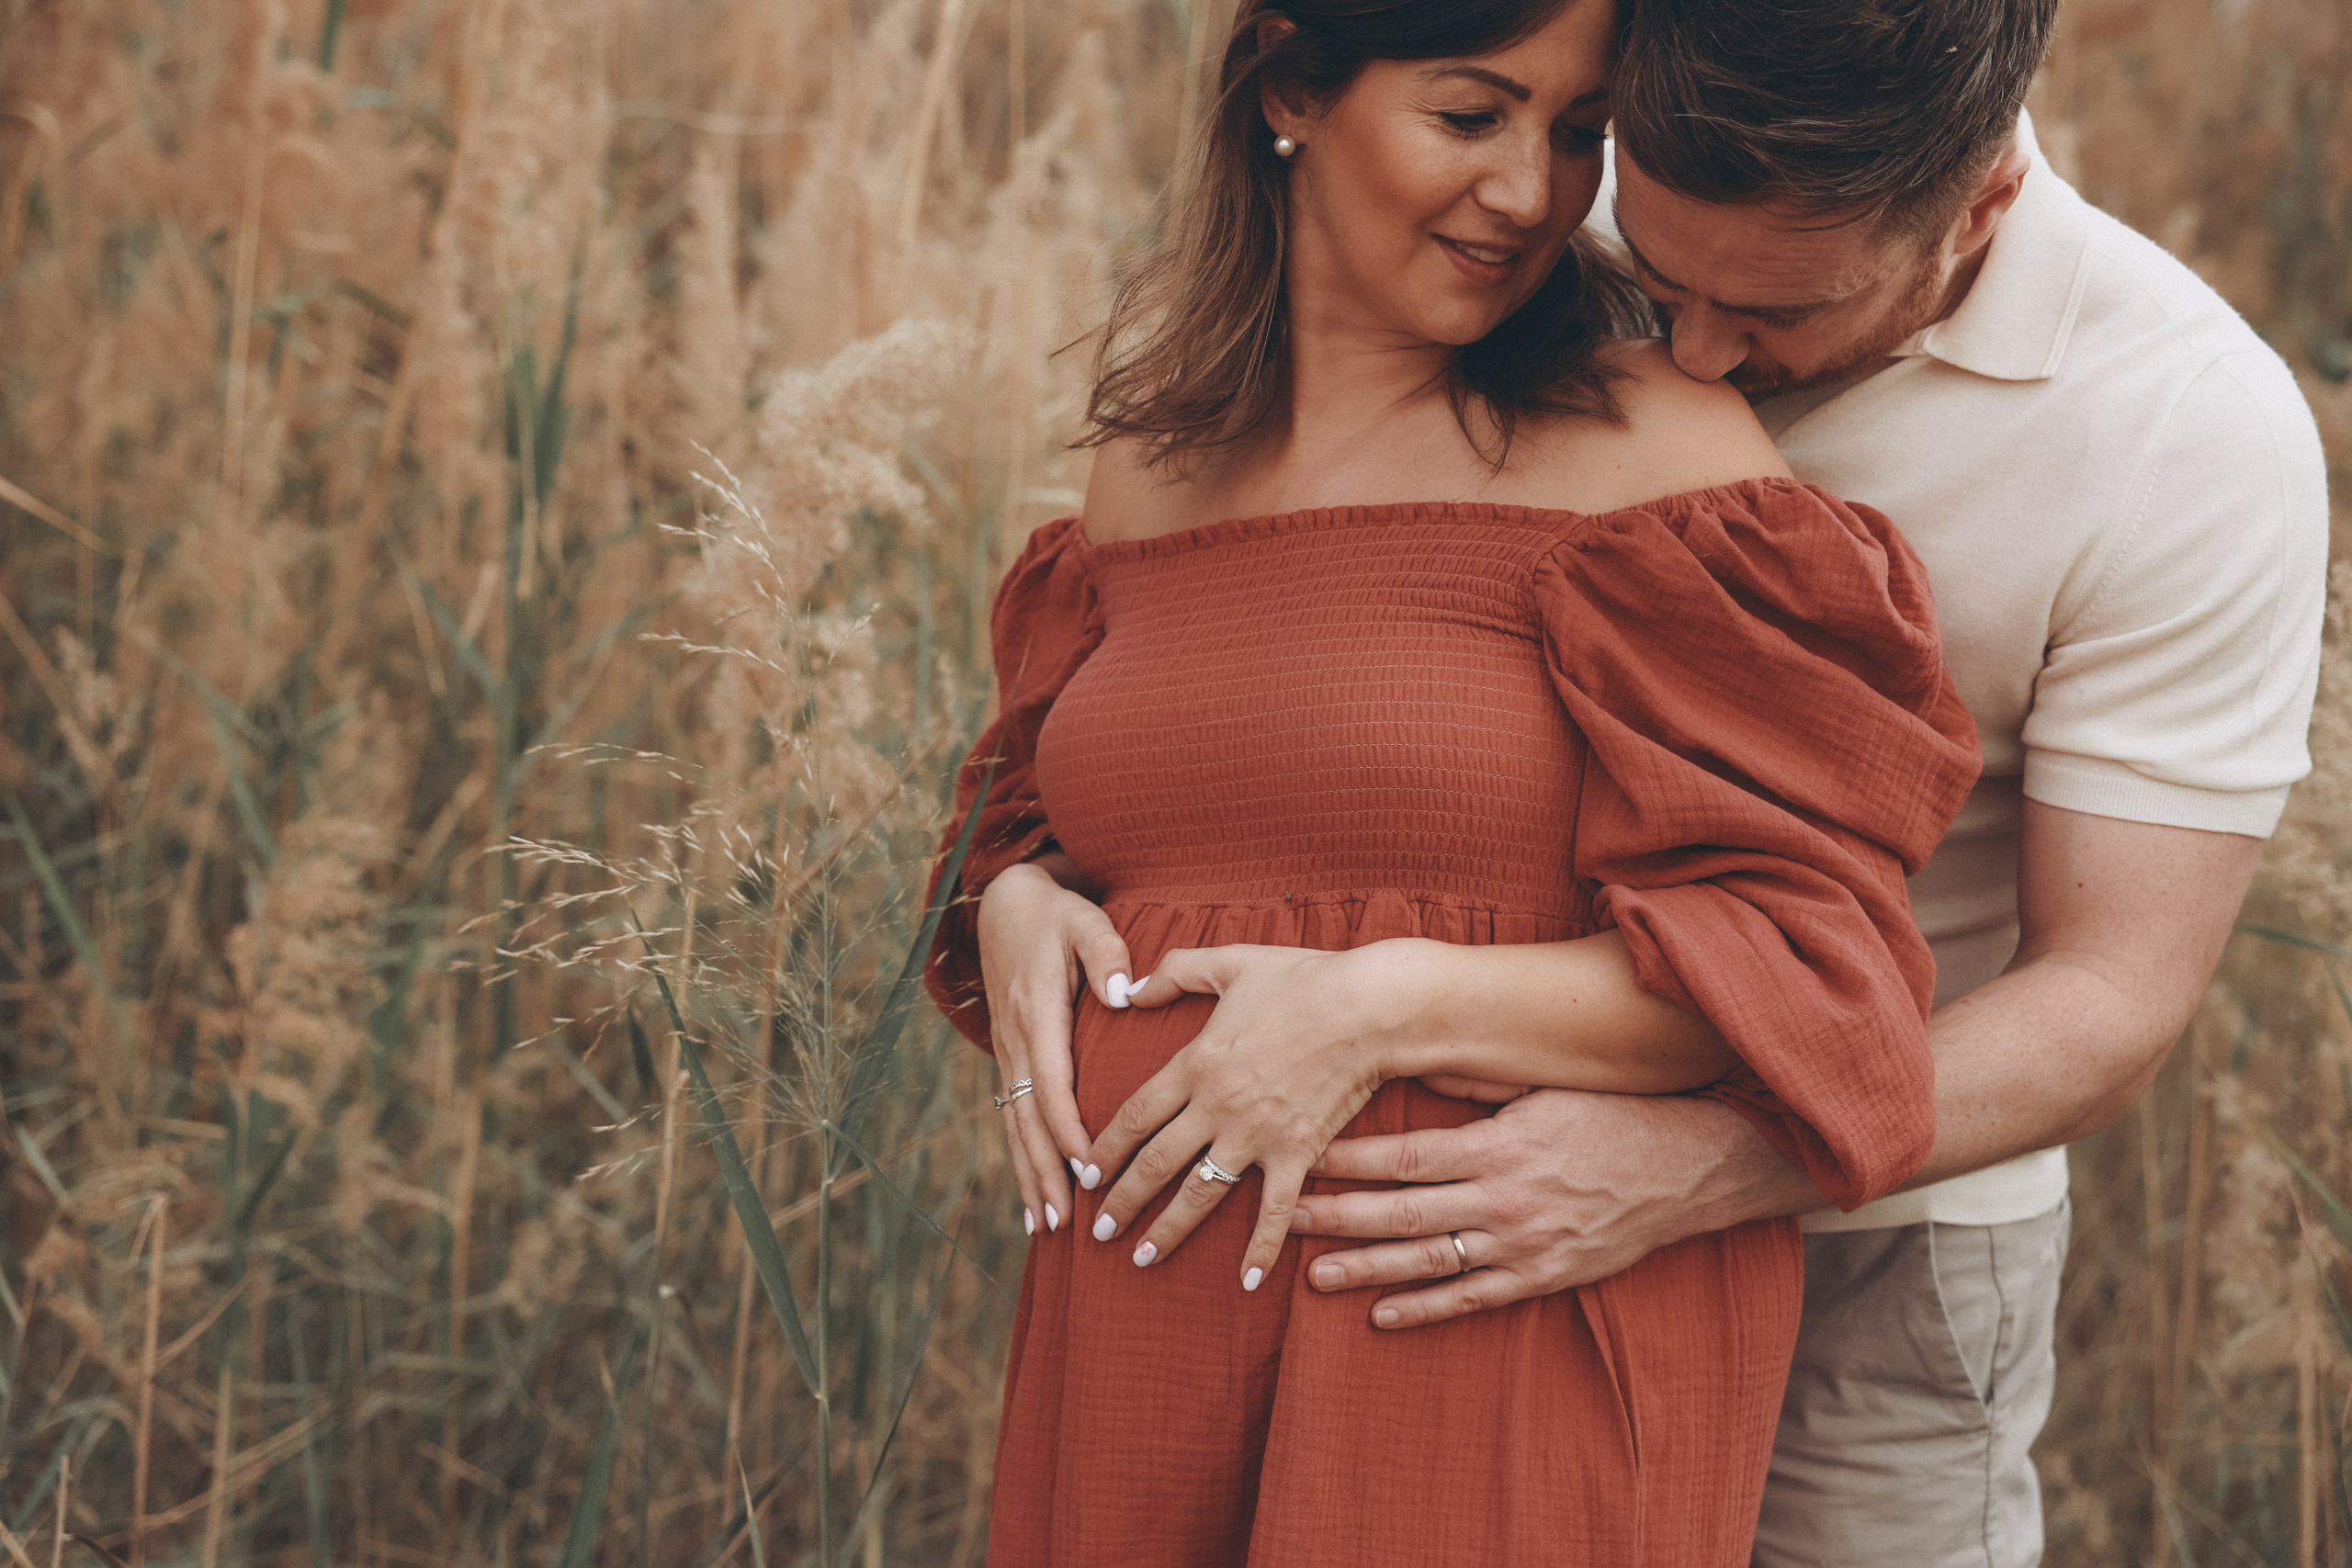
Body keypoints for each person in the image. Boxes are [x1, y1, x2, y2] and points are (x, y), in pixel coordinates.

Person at [1266, 3, 2332, 1564]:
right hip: (1438, 1196)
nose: (1688, 354)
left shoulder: (2185, 433)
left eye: (1772, 307)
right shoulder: (1555, 199)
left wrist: (1705, 1169)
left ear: (1975, 206)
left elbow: (2110, 1001)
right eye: (1662, 276)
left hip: (1878, 1260)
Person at [925, 0, 1983, 1562]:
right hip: (1140, 1335)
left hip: (1481, 1318)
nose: (1531, 194)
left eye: (1576, 134)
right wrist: (1017, 889)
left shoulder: (1657, 463)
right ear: (1291, 83)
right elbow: (1081, 803)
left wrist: (1380, 1005)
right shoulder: (1150, 469)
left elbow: (1816, 982)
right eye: (1471, 116)